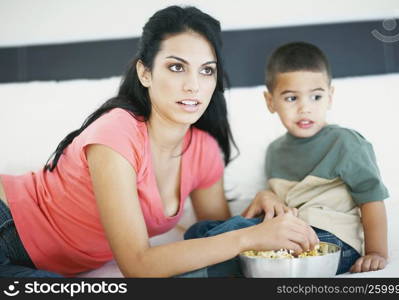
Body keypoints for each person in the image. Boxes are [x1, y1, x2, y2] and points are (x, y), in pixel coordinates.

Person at [0, 6, 318, 278]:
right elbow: (137, 266)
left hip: (40, 262)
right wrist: (249, 237)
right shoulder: (116, 132)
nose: (193, 85)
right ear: (145, 73)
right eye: (177, 67)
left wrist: (257, 210)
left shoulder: (203, 149)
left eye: (206, 71)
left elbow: (214, 237)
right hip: (8, 225)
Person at [185, 41, 389, 276]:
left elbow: (372, 199)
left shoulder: (346, 143)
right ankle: (203, 256)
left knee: (232, 233)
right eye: (292, 98)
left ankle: (198, 265)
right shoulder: (275, 151)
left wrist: (376, 252)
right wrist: (268, 198)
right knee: (200, 229)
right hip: (285, 232)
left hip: (331, 239)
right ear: (270, 101)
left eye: (316, 97)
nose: (305, 108)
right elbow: (278, 211)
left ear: (330, 97)